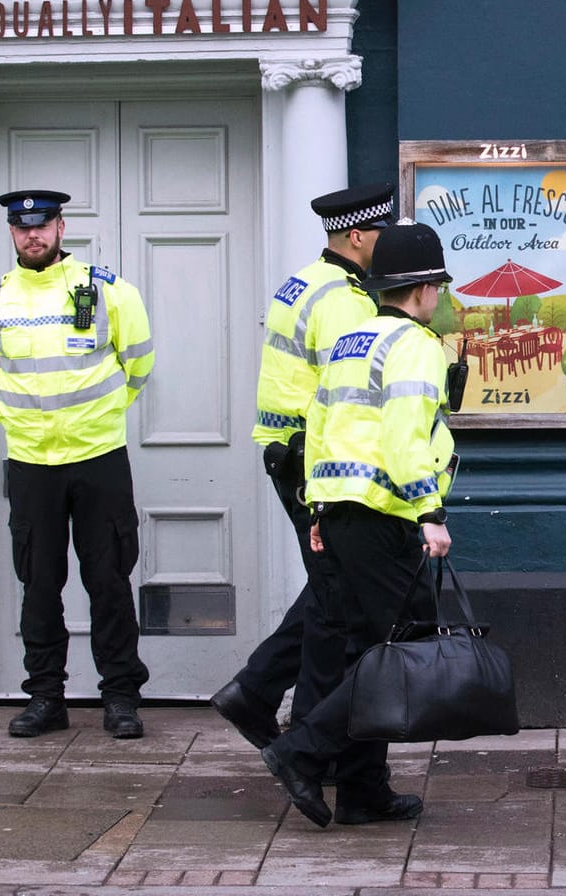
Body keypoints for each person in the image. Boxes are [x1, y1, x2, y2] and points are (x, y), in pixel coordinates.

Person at [259, 221, 459, 828]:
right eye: (438, 288)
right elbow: (403, 436)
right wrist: (430, 510)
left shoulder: (354, 338)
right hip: (384, 518)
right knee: (392, 652)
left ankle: (364, 789)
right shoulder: (418, 346)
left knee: (359, 648)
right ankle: (301, 752)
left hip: (339, 514)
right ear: (424, 290)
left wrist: (318, 510)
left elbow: (319, 425)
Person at [0, 189, 155, 739]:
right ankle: (46, 697)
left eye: (42, 226)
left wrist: (104, 415)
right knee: (39, 586)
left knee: (109, 582)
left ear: (62, 227)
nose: (33, 236)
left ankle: (121, 698)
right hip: (31, 464)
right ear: (11, 233)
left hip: (99, 459)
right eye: (22, 228)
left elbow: (139, 363)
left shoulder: (107, 290)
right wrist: (27, 425)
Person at [209, 185, 394, 749]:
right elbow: (350, 389)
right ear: (359, 236)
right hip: (315, 458)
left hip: (289, 449)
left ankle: (259, 693)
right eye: (381, 233)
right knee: (335, 601)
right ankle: (302, 730)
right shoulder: (344, 300)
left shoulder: (306, 282)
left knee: (329, 591)